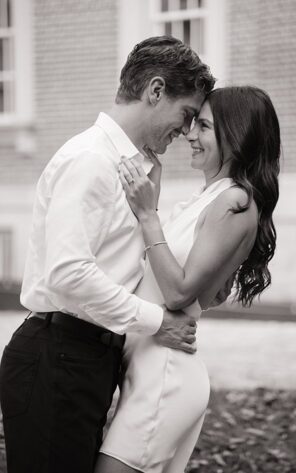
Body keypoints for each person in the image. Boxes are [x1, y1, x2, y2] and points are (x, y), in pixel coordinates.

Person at [0, 36, 214, 472]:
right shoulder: (91, 160)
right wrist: (160, 324)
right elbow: (69, 272)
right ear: (156, 91)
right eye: (186, 114)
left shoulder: (135, 168)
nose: (186, 131)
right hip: (57, 356)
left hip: (85, 357)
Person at [94, 85, 281, 472]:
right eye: (193, 123)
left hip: (166, 376)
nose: (190, 135)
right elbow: (195, 287)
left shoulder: (235, 203)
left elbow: (178, 293)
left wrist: (148, 214)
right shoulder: (209, 197)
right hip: (144, 365)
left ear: (237, 135)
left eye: (205, 127)